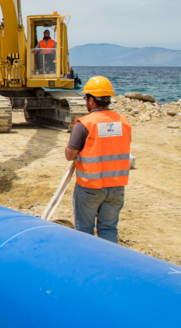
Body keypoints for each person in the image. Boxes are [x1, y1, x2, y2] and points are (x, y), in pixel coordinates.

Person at [64, 76, 132, 244]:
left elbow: (70, 155)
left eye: (86, 97)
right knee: (108, 229)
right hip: (116, 187)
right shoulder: (123, 121)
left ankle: (87, 266)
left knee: (84, 232)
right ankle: (110, 264)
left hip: (89, 187)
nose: (85, 101)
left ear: (92, 100)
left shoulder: (85, 123)